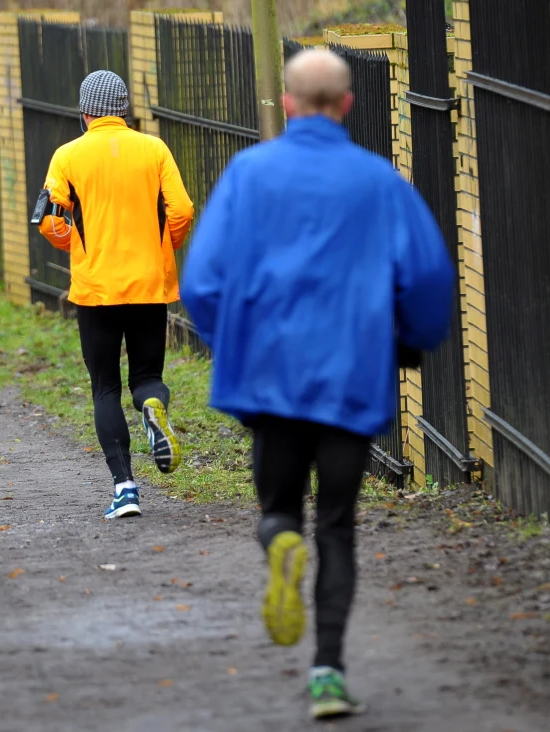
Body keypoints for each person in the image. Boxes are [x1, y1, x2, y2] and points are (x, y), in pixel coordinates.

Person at [180, 49, 455, 720]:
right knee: (336, 525)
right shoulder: (380, 183)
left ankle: (278, 538)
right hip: (350, 377)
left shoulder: (248, 175)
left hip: (269, 380)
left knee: (280, 508)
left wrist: (232, 341)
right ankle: (328, 672)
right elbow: (426, 279)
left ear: (291, 102)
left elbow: (202, 281)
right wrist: (411, 338)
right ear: (349, 104)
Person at [34, 70, 195, 520]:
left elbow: (48, 219)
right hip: (148, 284)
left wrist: (75, 241)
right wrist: (167, 245)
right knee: (146, 376)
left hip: (96, 289)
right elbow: (181, 209)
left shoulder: (68, 156)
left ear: (84, 113)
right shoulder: (154, 149)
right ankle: (151, 405)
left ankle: (125, 488)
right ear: (123, 109)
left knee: (104, 386)